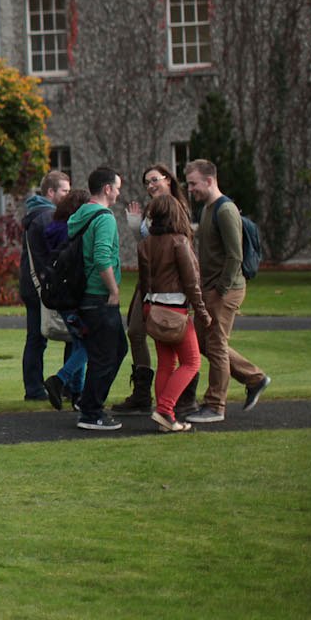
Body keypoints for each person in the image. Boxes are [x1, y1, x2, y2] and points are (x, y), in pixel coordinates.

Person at [184, 159, 271, 423]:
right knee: (201, 341)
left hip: (225, 290)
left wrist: (219, 290)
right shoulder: (208, 209)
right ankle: (254, 378)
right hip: (212, 288)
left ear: (209, 180)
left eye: (193, 183)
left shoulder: (225, 210)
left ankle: (215, 405)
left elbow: (236, 255)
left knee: (216, 345)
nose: (190, 189)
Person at [110, 163, 185, 416]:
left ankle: (180, 397)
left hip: (168, 286)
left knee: (172, 340)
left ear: (168, 179)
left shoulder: (175, 209)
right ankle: (144, 394)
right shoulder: (154, 210)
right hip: (148, 283)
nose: (151, 185)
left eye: (154, 180)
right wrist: (135, 228)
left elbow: (174, 247)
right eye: (147, 182)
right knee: (135, 331)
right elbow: (149, 247)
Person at [137, 192, 213, 432]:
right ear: (175, 214)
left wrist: (144, 311)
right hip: (175, 310)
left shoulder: (145, 243)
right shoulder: (180, 241)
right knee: (192, 362)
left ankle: (165, 418)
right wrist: (202, 313)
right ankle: (165, 410)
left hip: (153, 308)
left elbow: (143, 280)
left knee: (166, 364)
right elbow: (192, 283)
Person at [70, 166, 127, 431]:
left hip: (83, 294)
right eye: (116, 187)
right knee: (107, 354)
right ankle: (91, 412)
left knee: (112, 350)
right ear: (107, 188)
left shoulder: (80, 214)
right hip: (99, 295)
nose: (118, 192)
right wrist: (114, 290)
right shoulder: (104, 218)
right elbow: (102, 256)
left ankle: (88, 400)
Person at [18, 170, 71, 400]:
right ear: (51, 192)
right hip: (47, 285)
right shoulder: (48, 217)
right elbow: (56, 254)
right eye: (64, 191)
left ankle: (33, 387)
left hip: (31, 285)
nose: (68, 196)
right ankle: (68, 384)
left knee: (35, 338)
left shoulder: (34, 214)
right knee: (73, 334)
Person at [41, 188, 91, 410]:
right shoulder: (72, 230)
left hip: (59, 295)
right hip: (72, 296)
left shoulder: (53, 228)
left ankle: (77, 394)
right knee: (88, 343)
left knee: (79, 342)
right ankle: (59, 380)